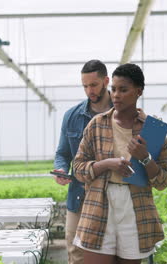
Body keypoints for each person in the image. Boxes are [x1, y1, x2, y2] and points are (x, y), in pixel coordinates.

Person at [72, 63, 167, 264]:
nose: (116, 95)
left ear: (138, 92)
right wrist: (106, 163)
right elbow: (78, 169)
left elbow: (163, 181)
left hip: (135, 208)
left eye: (123, 90)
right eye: (114, 89)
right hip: (99, 204)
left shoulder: (152, 130)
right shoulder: (97, 125)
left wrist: (145, 158)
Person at [53, 59, 113, 264]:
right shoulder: (72, 116)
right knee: (76, 250)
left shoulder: (124, 113)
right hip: (79, 195)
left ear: (106, 81)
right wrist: (61, 168)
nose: (89, 91)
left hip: (112, 196)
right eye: (85, 86)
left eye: (94, 85)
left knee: (110, 251)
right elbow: (62, 153)